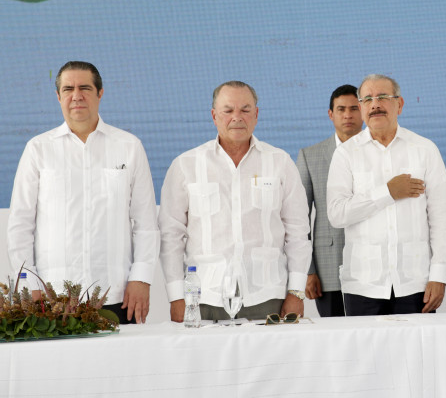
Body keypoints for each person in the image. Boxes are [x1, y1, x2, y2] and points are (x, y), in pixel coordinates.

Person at [7, 61, 158, 324]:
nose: (76, 96)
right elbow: (20, 224)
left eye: (85, 88)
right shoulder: (38, 149)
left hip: (117, 295)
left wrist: (141, 278)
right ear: (58, 96)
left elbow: (146, 223)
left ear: (100, 93)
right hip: (52, 299)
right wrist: (29, 283)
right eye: (68, 89)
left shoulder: (129, 147)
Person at [158, 81, 311, 322]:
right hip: (204, 297)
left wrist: (296, 292)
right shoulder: (186, 165)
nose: (237, 117)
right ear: (214, 116)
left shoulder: (280, 162)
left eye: (245, 110)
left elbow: (298, 233)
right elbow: (170, 236)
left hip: (268, 295)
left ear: (256, 114)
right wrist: (176, 296)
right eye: (228, 110)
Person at [326, 74, 446, 316]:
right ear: (361, 108)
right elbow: (337, 214)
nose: (375, 104)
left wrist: (439, 275)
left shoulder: (425, 150)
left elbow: (442, 220)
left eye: (383, 97)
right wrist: (388, 192)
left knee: (417, 343)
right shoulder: (346, 154)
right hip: (363, 285)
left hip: (415, 283)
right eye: (367, 99)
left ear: (400, 104)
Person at [297, 84, 363, 317]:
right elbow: (299, 218)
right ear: (330, 114)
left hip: (374, 266)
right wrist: (308, 271)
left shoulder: (381, 152)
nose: (348, 115)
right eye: (341, 109)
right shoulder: (310, 156)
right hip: (327, 266)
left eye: (354, 108)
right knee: (334, 332)